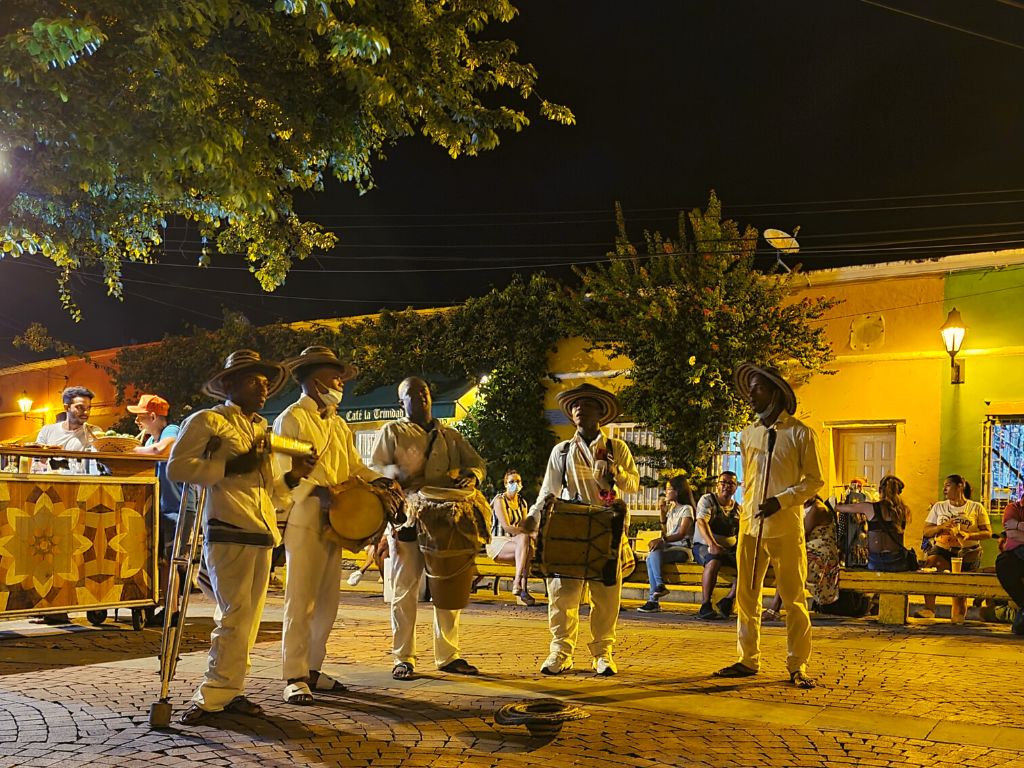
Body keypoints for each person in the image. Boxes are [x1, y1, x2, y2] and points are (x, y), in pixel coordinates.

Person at [168, 349, 316, 725]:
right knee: (234, 616)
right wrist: (230, 465)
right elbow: (178, 468)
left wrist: (294, 475)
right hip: (227, 530)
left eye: (266, 383)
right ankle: (211, 696)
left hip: (259, 532)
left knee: (247, 621)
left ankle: (230, 690)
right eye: (254, 381)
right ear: (229, 385)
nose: (263, 389)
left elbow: (268, 491)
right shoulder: (208, 421)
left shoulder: (260, 429)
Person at [274, 346, 398, 705]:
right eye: (335, 377)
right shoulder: (290, 418)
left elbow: (355, 467)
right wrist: (318, 491)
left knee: (328, 600)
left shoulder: (339, 423)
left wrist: (381, 481)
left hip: (338, 520)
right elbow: (284, 472)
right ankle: (293, 674)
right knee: (300, 599)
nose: (340, 382)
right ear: (315, 380)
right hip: (307, 516)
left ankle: (313, 668)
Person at [714, 363, 823, 689]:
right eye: (749, 388)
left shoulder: (801, 433)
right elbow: (749, 481)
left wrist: (783, 499)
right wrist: (747, 512)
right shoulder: (749, 434)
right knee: (746, 597)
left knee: (793, 598)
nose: (751, 395)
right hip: (750, 527)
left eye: (757, 388)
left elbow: (814, 480)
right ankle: (748, 659)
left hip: (786, 527)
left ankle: (797, 663)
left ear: (775, 391)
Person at [370, 376, 486, 681]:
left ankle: (448, 655)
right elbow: (375, 468)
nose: (421, 397)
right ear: (401, 402)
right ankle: (403, 657)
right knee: (405, 587)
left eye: (425, 391)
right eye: (412, 393)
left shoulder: (450, 435)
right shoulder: (392, 431)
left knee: (447, 584)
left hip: (445, 519)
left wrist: (470, 475)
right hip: (408, 515)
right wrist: (397, 472)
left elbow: (477, 465)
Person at [530, 383, 640, 677]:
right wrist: (533, 518)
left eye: (587, 405)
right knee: (563, 595)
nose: (579, 409)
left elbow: (633, 484)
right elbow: (548, 490)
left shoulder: (617, 448)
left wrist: (615, 472)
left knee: (605, 596)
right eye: (575, 405)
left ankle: (603, 653)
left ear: (600, 414)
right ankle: (560, 652)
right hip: (571, 527)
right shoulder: (562, 450)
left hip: (607, 528)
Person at [31, 385, 100, 624]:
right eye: (80, 407)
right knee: (45, 552)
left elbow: (98, 463)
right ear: (66, 407)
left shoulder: (93, 433)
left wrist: (95, 439)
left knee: (72, 553)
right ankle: (49, 604)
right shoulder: (48, 432)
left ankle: (65, 605)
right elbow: (37, 464)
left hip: (77, 498)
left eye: (88, 408)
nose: (85, 413)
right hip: (48, 497)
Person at [128, 394, 194, 626]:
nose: (137, 421)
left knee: (172, 558)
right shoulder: (148, 441)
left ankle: (173, 610)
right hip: (161, 508)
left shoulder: (171, 430)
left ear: (154, 416)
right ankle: (166, 605)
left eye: (140, 416)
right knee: (163, 561)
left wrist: (130, 451)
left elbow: (161, 452)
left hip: (179, 507)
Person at [916, 474, 992, 623]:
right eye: (944, 485)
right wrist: (941, 527)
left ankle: (958, 616)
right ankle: (929, 609)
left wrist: (968, 535)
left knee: (960, 584)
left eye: (948, 485)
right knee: (931, 566)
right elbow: (926, 531)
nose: (944, 488)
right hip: (942, 549)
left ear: (960, 486)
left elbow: (987, 532)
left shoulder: (976, 507)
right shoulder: (939, 506)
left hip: (968, 552)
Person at [763, 497, 842, 620]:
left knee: (790, 562)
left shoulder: (817, 509)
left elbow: (801, 535)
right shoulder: (798, 507)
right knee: (785, 558)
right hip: (806, 548)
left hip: (821, 554)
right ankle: (779, 607)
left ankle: (775, 608)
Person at [637, 475, 694, 613]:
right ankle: (658, 589)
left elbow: (681, 534)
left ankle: (654, 598)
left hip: (682, 549)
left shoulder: (687, 509)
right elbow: (666, 530)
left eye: (669, 489)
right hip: (669, 548)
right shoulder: (672, 509)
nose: (666, 492)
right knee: (651, 555)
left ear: (678, 491)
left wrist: (662, 541)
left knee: (653, 554)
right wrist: (662, 512)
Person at [837, 475, 913, 573]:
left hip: (876, 561)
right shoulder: (904, 510)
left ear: (880, 490)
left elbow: (840, 508)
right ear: (899, 491)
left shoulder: (869, 507)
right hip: (898, 560)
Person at [692, 472, 741, 620]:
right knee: (714, 559)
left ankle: (728, 600)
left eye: (731, 483)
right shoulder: (707, 500)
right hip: (704, 545)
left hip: (728, 549)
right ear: (718, 485)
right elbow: (701, 522)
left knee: (749, 565)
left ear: (736, 488)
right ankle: (705, 605)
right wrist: (712, 544)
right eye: (723, 482)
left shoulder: (739, 509)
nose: (726, 486)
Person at [488, 468, 537, 606]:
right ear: (505, 484)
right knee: (527, 546)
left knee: (527, 545)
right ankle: (520, 586)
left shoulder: (522, 502)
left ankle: (520, 588)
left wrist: (532, 533)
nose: (515, 484)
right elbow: (506, 527)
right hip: (499, 541)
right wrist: (528, 533)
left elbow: (524, 526)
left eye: (518, 481)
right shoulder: (500, 500)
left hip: (515, 542)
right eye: (511, 481)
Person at [995, 496, 1024, 635]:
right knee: (1003, 564)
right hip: (1015, 554)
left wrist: (1018, 526)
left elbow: (1015, 533)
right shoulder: (1013, 508)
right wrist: (1015, 530)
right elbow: (1011, 534)